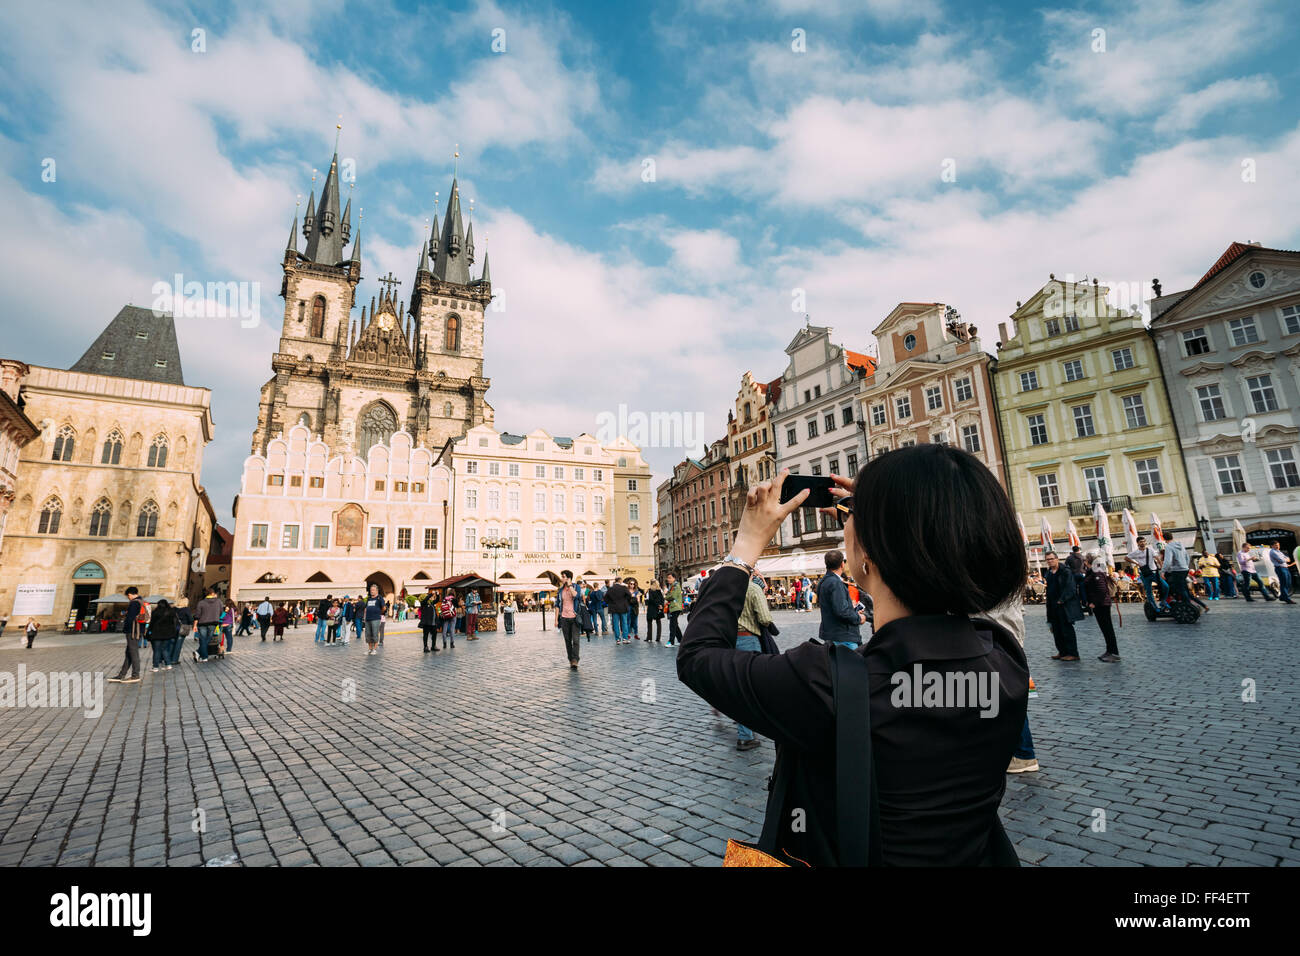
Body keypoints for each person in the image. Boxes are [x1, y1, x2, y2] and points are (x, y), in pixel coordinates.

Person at [677, 447, 1028, 866]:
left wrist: (746, 544)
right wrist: (900, 503)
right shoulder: (1003, 658)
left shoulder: (824, 683)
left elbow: (697, 655)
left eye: (854, 520)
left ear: (868, 556)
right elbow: (963, 562)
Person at [733, 573, 774, 751]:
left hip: (731, 641)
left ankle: (746, 729)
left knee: (740, 688)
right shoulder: (753, 589)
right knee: (751, 689)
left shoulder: (729, 589)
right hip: (749, 640)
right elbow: (765, 618)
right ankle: (745, 735)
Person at [816, 550, 864, 648]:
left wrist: (850, 606)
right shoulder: (835, 582)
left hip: (831, 632)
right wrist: (859, 618)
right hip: (842, 635)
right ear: (842, 564)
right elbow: (842, 611)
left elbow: (831, 605)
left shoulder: (823, 581)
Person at [1044, 552, 1082, 662]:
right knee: (1056, 629)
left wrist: (1062, 600)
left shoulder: (1065, 571)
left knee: (1066, 629)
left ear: (1057, 559)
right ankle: (1062, 651)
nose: (1050, 561)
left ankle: (1073, 653)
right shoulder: (1049, 573)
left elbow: (1071, 587)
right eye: (1048, 559)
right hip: (1052, 604)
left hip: (1064, 604)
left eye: (1051, 559)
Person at [1082, 555, 1120, 662]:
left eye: (1085, 560)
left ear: (1088, 561)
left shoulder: (1096, 573)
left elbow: (1102, 590)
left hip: (1102, 605)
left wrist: (1094, 602)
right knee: (1105, 629)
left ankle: (1114, 652)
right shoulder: (1093, 572)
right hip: (1101, 604)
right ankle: (1109, 650)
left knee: (1108, 629)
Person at [108, 587, 147, 684]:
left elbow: (130, 618)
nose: (128, 598)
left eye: (128, 595)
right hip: (139, 630)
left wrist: (125, 629)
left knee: (133, 652)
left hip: (133, 630)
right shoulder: (142, 601)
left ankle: (135, 675)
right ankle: (121, 675)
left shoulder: (134, 603)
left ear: (131, 594)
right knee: (129, 652)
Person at [1163, 539, 1208, 613]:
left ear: (1165, 540)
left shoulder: (1169, 547)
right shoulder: (1181, 545)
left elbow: (1168, 562)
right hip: (1184, 569)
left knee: (1181, 590)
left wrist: (1163, 571)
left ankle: (1188, 605)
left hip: (1176, 571)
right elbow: (1187, 557)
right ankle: (1202, 605)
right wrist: (1186, 566)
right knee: (1185, 590)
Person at [1127, 536, 1170, 611]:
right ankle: (1154, 607)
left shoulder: (1150, 550)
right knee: (1149, 591)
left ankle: (1163, 601)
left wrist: (1162, 568)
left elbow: (1157, 558)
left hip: (1153, 572)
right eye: (1141, 542)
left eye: (1144, 541)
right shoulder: (1135, 552)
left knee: (1166, 586)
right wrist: (1136, 563)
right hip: (1144, 574)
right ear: (1137, 543)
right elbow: (1126, 558)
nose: (1143, 543)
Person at [556, 571, 582, 668]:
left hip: (574, 617)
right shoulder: (560, 590)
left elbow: (576, 596)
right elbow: (557, 605)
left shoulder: (576, 587)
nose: (562, 578)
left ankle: (575, 659)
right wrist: (556, 619)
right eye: (562, 576)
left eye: (563, 577)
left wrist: (570, 586)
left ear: (569, 578)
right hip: (564, 617)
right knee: (567, 641)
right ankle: (570, 659)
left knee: (575, 640)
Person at [149, 599, 179, 672]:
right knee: (165, 649)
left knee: (157, 650)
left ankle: (155, 667)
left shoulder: (155, 612)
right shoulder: (171, 612)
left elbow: (151, 623)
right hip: (167, 634)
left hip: (157, 633)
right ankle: (168, 664)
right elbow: (174, 623)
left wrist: (149, 631)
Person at [195, 587, 223, 662]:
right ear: (213, 593)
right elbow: (221, 612)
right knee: (208, 639)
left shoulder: (201, 602)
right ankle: (200, 654)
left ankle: (203, 656)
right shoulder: (218, 601)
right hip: (213, 623)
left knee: (203, 639)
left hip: (202, 623)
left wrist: (195, 625)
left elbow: (197, 615)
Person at [606, 576, 632, 643]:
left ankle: (617, 639)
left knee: (616, 624)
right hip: (623, 607)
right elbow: (629, 595)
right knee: (624, 623)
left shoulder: (610, 589)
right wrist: (625, 601)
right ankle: (625, 638)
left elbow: (606, 598)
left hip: (614, 608)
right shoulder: (623, 588)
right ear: (620, 581)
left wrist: (611, 603)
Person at [363, 584, 384, 655]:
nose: (372, 591)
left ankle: (374, 649)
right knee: (368, 634)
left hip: (376, 619)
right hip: (368, 618)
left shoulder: (379, 598)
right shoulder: (369, 598)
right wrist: (364, 617)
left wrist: (378, 613)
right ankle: (369, 649)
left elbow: (383, 607)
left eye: (373, 590)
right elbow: (366, 608)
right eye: (371, 590)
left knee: (375, 634)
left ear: (377, 591)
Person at [665, 573, 684, 646]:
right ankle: (681, 640)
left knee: (672, 625)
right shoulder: (672, 586)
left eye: (670, 578)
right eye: (668, 578)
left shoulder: (675, 586)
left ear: (674, 578)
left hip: (675, 607)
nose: (668, 579)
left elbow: (672, 595)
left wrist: (666, 596)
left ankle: (671, 641)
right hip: (674, 607)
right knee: (675, 624)